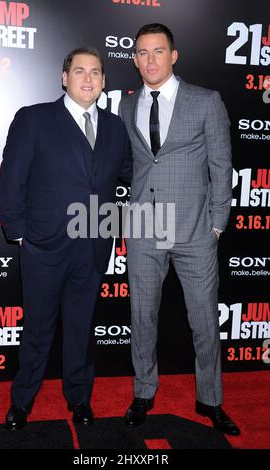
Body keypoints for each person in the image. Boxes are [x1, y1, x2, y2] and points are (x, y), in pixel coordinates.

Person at [0, 47, 132, 430]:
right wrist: (19, 233)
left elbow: (128, 173)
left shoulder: (115, 127)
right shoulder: (34, 119)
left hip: (93, 245)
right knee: (38, 329)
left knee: (81, 327)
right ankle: (22, 401)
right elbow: (12, 180)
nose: (87, 79)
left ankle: (79, 399)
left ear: (104, 81)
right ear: (64, 78)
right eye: (79, 71)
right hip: (43, 247)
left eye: (95, 73)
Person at [119, 23, 240, 435]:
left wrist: (217, 226)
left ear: (174, 55)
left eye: (157, 51)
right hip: (143, 229)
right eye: (141, 53)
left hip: (195, 231)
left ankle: (211, 400)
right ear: (134, 59)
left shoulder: (206, 101)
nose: (149, 59)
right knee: (142, 316)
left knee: (204, 320)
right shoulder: (126, 106)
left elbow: (222, 167)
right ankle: (143, 391)